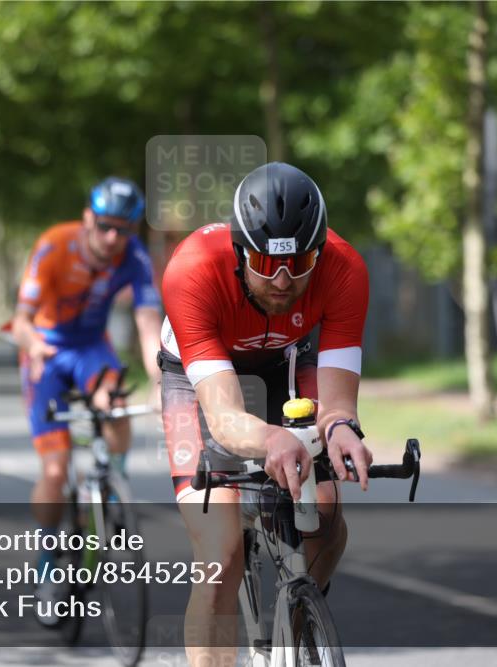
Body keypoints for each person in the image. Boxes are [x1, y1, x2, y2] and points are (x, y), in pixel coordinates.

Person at [158, 162, 373, 667]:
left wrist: (342, 429)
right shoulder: (191, 271)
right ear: (238, 250)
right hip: (201, 378)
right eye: (263, 261)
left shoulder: (345, 269)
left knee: (326, 519)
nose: (282, 279)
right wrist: (274, 440)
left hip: (284, 361)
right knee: (221, 555)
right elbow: (226, 415)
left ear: (319, 252)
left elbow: (340, 405)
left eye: (300, 264)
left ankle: (294, 624)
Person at [11, 176, 162, 625]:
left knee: (116, 402)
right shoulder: (54, 246)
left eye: (125, 229)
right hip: (47, 350)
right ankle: (47, 559)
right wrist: (35, 347)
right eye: (105, 226)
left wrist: (161, 378)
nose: (113, 238)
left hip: (91, 348)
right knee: (56, 471)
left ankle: (111, 488)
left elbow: (148, 320)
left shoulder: (133, 256)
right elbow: (19, 321)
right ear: (88, 219)